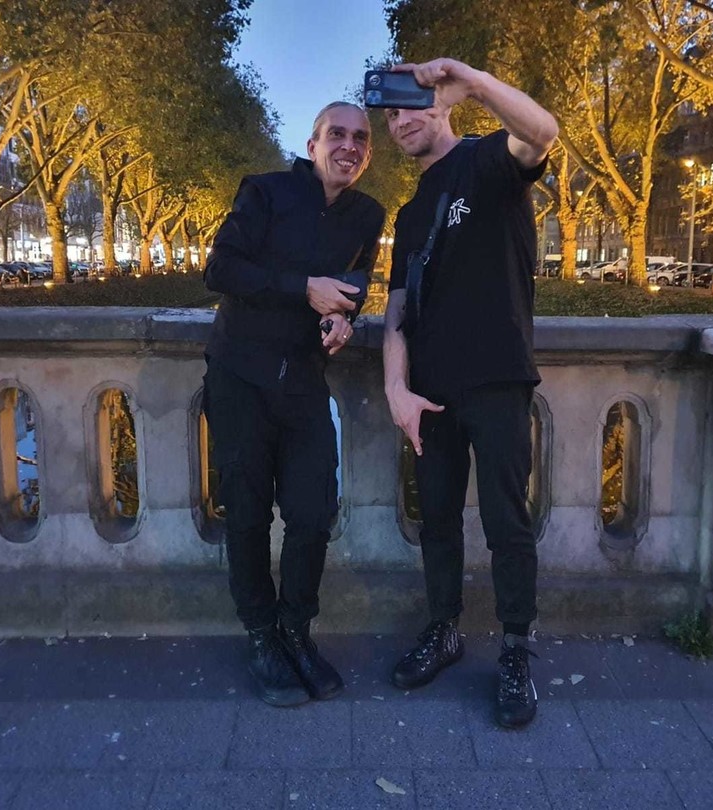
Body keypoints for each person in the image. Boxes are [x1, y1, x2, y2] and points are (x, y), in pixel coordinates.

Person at [381, 58, 558, 729]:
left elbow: (543, 132)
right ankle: (444, 628)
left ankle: (515, 649)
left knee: (507, 521)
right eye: (391, 114)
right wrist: (396, 388)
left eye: (411, 105)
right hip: (431, 392)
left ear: (441, 104)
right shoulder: (409, 213)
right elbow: (397, 310)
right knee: (437, 520)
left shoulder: (487, 162)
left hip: (498, 377)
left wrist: (474, 81)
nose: (401, 122)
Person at [203, 102, 385, 707]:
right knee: (247, 514)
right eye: (337, 134)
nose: (349, 145)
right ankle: (261, 635)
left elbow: (355, 286)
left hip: (305, 381)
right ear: (313, 145)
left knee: (313, 514)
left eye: (360, 138)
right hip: (240, 376)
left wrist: (341, 319)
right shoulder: (264, 192)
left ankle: (295, 630)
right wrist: (302, 288)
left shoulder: (368, 215)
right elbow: (220, 269)